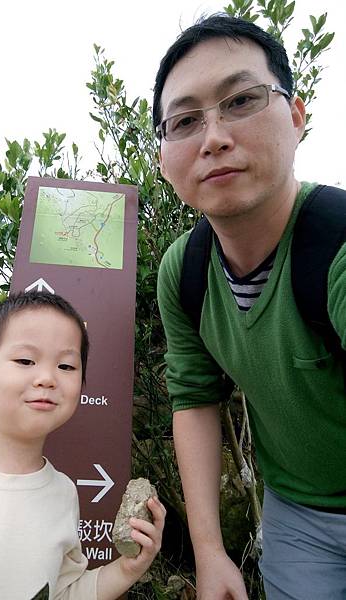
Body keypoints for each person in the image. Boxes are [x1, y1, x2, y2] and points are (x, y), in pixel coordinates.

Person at [154, 13, 346, 600]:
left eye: (240, 100)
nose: (212, 137)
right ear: (164, 156)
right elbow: (194, 397)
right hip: (298, 517)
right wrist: (209, 552)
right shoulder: (183, 272)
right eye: (185, 120)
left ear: (296, 115)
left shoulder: (337, 248)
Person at [0, 291, 166, 599]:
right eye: (25, 360)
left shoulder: (63, 494)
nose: (47, 378)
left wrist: (128, 569)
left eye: (66, 366)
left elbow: (62, 591)